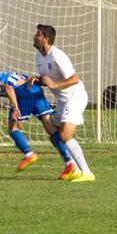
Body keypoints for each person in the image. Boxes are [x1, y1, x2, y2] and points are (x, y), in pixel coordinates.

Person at [0, 72, 78, 179]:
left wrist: (15, 107)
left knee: (13, 129)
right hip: (34, 88)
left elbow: (8, 88)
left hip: (22, 92)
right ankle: (70, 163)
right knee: (50, 127)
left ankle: (29, 154)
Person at [29, 24, 95, 183]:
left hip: (75, 96)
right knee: (55, 136)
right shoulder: (39, 57)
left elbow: (75, 79)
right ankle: (75, 170)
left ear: (45, 39)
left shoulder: (57, 55)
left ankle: (87, 173)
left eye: (38, 34)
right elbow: (48, 79)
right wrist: (37, 80)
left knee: (65, 135)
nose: (34, 36)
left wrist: (53, 85)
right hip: (63, 101)